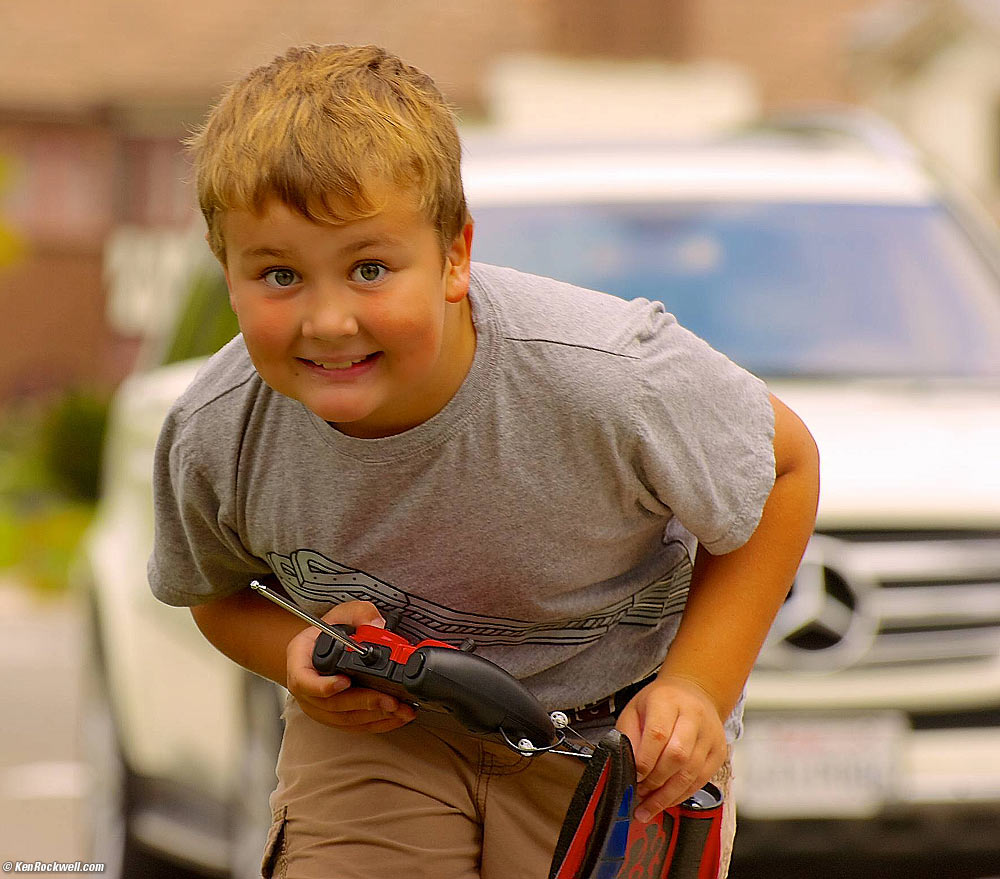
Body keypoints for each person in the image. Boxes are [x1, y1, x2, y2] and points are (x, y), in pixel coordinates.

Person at [148, 43, 820, 879]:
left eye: (368, 268)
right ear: (229, 274)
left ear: (455, 256)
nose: (327, 319)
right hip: (386, 739)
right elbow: (213, 590)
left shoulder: (610, 376)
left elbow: (786, 467)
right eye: (280, 274)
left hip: (611, 750)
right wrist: (290, 649)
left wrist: (697, 688)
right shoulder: (219, 432)